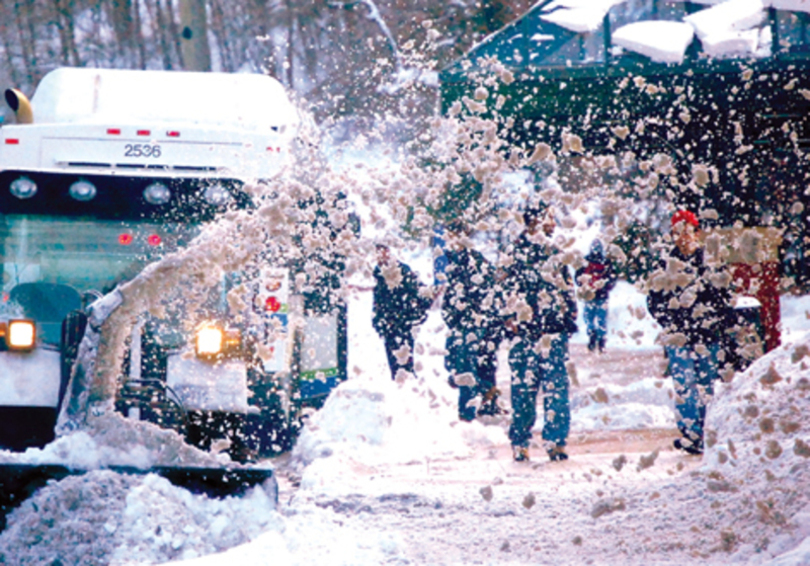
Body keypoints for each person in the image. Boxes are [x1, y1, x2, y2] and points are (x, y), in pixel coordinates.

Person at [647, 209, 735, 455]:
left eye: (687, 231)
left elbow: (727, 296)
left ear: (697, 233)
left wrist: (713, 319)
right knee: (684, 385)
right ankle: (690, 433)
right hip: (679, 337)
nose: (683, 237)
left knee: (707, 384)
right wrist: (670, 322)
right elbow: (653, 300)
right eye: (677, 232)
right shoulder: (665, 264)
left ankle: (709, 430)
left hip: (707, 336)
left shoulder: (711, 262)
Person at [502, 204, 578, 462]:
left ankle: (556, 441)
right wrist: (509, 319)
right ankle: (520, 441)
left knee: (556, 389)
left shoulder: (555, 252)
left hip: (554, 333)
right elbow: (503, 290)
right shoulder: (514, 253)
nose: (553, 224)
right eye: (549, 218)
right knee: (523, 391)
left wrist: (569, 316)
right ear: (534, 221)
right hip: (525, 336)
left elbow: (567, 287)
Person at [441, 221, 501, 421]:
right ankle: (485, 390)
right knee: (453, 365)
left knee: (464, 366)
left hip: (471, 322)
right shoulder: (454, 260)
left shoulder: (473, 261)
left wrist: (475, 314)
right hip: (459, 322)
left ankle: (467, 411)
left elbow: (484, 291)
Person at [372, 243, 432, 381]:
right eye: (377, 253)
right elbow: (378, 301)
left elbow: (420, 294)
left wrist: (412, 317)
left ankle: (410, 391)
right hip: (389, 325)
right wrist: (378, 321)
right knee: (395, 365)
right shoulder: (378, 273)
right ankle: (402, 390)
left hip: (402, 325)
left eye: (383, 252)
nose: (381, 256)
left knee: (404, 364)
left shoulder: (401, 270)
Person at [575, 239, 618, 353]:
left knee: (591, 318)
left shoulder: (588, 261)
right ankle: (599, 339)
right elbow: (612, 277)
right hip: (597, 295)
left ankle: (595, 336)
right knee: (598, 318)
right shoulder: (603, 262)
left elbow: (578, 277)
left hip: (592, 295)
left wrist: (584, 285)